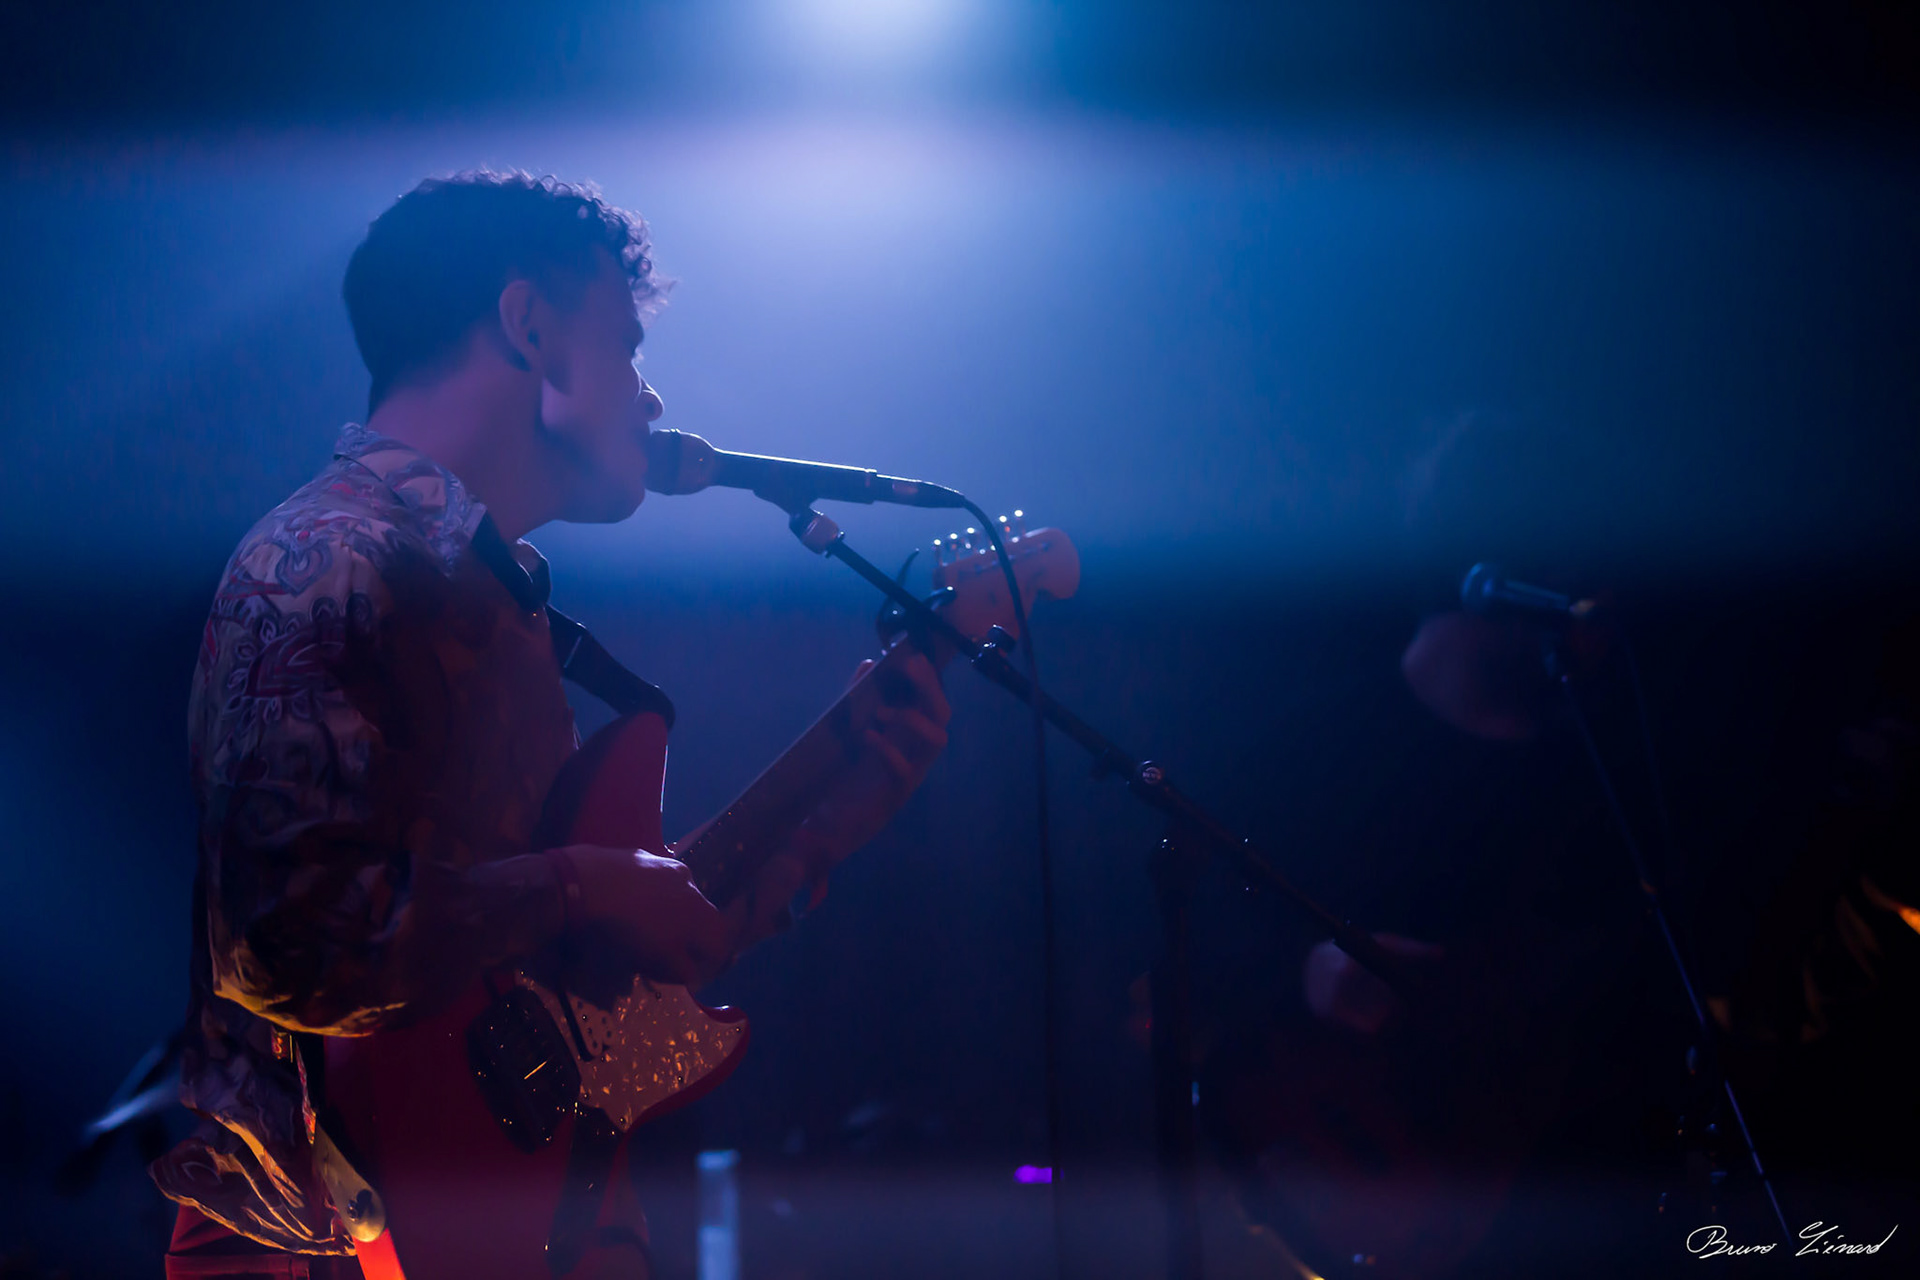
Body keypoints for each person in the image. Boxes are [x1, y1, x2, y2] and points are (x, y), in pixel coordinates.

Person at [148, 171, 951, 1276]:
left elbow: (580, 987)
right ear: (529, 328)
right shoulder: (326, 556)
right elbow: (291, 944)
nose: (653, 398)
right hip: (336, 1245)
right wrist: (584, 882)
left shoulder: (496, 605)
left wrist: (838, 801)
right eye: (626, 346)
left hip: (521, 1221)